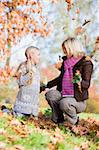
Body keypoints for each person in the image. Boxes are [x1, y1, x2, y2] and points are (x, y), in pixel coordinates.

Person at [44, 37, 93, 125]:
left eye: (65, 49)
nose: (64, 52)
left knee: (64, 102)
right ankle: (58, 119)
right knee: (50, 94)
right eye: (63, 49)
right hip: (63, 94)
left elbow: (86, 84)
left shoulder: (86, 63)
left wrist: (78, 81)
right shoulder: (65, 62)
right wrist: (46, 85)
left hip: (78, 100)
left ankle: (73, 121)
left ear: (72, 48)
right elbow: (60, 79)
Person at [13, 46, 40, 118]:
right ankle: (9, 112)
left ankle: (32, 114)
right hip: (24, 99)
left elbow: (36, 84)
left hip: (33, 101)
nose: (39, 57)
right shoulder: (23, 67)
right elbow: (20, 82)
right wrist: (29, 75)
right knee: (19, 116)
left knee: (31, 118)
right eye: (38, 54)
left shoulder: (36, 69)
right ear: (31, 55)